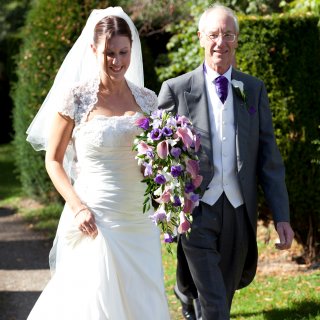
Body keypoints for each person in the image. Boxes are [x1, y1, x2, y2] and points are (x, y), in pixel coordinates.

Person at [26, 7, 170, 320]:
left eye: (123, 52)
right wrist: (77, 206)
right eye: (109, 53)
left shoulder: (147, 100)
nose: (117, 62)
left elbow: (155, 160)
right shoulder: (75, 99)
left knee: (141, 300)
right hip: (96, 215)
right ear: (93, 50)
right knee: (93, 301)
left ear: (132, 50)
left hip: (138, 218)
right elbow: (53, 160)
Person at [158, 4, 294, 320]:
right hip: (196, 212)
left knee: (222, 296)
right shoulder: (176, 89)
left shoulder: (254, 90)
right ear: (200, 38)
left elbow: (269, 158)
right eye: (214, 34)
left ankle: (188, 297)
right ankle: (193, 297)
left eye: (228, 34)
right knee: (217, 308)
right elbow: (160, 155)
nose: (221, 42)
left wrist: (282, 216)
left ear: (236, 40)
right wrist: (173, 209)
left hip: (237, 210)